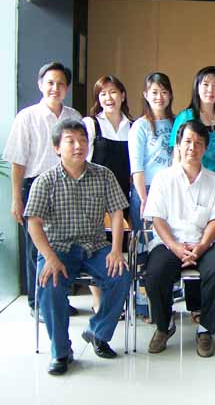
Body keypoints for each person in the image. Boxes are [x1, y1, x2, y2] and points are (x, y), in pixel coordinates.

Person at [24, 119, 130, 375]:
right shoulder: (45, 181)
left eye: (83, 141)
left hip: (94, 246)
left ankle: (97, 332)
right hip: (58, 249)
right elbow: (34, 224)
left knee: (121, 275)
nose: (78, 146)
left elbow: (117, 213)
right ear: (57, 147)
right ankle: (60, 352)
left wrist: (116, 250)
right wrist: (49, 257)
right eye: (70, 141)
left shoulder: (102, 175)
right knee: (50, 285)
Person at [143, 121, 215, 357]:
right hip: (169, 243)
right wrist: (174, 246)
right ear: (178, 145)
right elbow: (156, 218)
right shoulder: (163, 179)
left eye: (199, 143)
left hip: (204, 243)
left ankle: (205, 329)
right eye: (188, 142)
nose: (193, 147)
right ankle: (163, 326)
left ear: (205, 148)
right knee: (155, 274)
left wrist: (201, 247)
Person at [3, 62, 81, 319]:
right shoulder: (27, 116)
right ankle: (37, 303)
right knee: (37, 245)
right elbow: (17, 161)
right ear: (40, 85)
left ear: (67, 88)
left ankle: (59, 298)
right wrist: (17, 198)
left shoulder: (73, 116)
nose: (55, 88)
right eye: (50, 83)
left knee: (64, 244)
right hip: (35, 186)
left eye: (60, 84)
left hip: (67, 187)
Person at [83, 75, 133, 314]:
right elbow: (82, 161)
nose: (108, 98)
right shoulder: (91, 124)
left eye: (113, 92)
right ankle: (98, 300)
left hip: (123, 196)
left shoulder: (132, 126)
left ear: (123, 96)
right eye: (103, 94)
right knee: (97, 247)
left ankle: (116, 298)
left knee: (119, 247)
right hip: (95, 197)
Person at [128, 72, 174, 234]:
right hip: (146, 188)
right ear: (146, 95)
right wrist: (143, 198)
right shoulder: (140, 126)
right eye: (154, 92)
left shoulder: (176, 122)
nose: (159, 97)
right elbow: (137, 166)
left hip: (170, 187)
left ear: (170, 95)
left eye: (163, 92)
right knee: (144, 239)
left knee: (168, 238)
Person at [170, 66, 215, 176]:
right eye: (205, 84)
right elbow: (177, 156)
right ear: (197, 87)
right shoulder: (185, 117)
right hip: (191, 180)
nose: (210, 90)